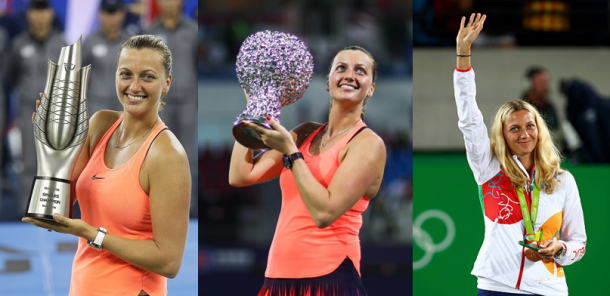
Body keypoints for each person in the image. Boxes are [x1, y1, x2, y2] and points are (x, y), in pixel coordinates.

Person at [22, 35, 191, 296]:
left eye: (147, 76)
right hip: (83, 286)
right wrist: (51, 151)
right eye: (126, 74)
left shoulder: (167, 155)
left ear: (167, 83)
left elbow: (169, 262)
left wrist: (93, 234)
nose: (134, 86)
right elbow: (58, 210)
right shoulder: (100, 125)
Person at [229, 46, 386, 295]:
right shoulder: (304, 132)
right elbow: (240, 175)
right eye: (341, 68)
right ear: (328, 82)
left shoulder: (368, 144)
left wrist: (292, 153)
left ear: (371, 88)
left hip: (329, 277)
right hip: (277, 277)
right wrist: (252, 114)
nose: (349, 75)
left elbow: (324, 213)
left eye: (360, 71)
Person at [454, 14, 586, 296]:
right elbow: (468, 120)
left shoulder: (563, 180)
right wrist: (463, 55)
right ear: (502, 135)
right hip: (496, 286)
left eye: (530, 126)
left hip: (548, 288)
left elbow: (579, 243)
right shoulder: (488, 167)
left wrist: (559, 248)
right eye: (514, 128)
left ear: (540, 130)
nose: (524, 134)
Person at [5, 0, 65, 217]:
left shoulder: (61, 44)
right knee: (30, 161)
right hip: (27, 109)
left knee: (56, 161)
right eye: (35, 10)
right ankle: (28, 209)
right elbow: (10, 77)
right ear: (28, 14)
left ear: (50, 13)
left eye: (44, 10)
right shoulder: (19, 44)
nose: (40, 16)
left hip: (57, 111)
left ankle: (55, 209)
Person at [144, 0, 198, 217]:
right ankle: (156, 207)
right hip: (160, 103)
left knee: (188, 156)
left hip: (187, 101)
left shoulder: (193, 31)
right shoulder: (149, 33)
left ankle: (190, 209)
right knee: (157, 156)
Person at [82, 0, 132, 114]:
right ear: (100, 14)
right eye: (108, 13)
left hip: (124, 105)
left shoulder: (131, 42)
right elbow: (79, 77)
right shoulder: (89, 42)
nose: (111, 18)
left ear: (122, 14)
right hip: (96, 106)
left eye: (115, 13)